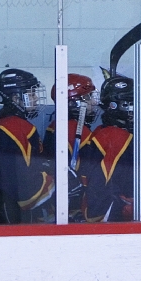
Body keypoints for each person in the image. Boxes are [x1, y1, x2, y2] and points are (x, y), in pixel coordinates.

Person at [79, 75, 141, 222]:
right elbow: (96, 196)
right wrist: (127, 209)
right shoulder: (115, 137)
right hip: (111, 226)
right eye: (134, 103)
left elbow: (121, 175)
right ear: (118, 106)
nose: (140, 109)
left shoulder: (111, 132)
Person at [0, 68, 54, 224]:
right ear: (16, 98)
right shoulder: (21, 129)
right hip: (15, 211)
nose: (36, 98)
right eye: (31, 94)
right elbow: (25, 180)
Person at [43, 73, 98, 220]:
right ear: (73, 103)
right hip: (75, 206)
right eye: (88, 97)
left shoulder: (54, 126)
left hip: (55, 204)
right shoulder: (77, 130)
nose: (93, 102)